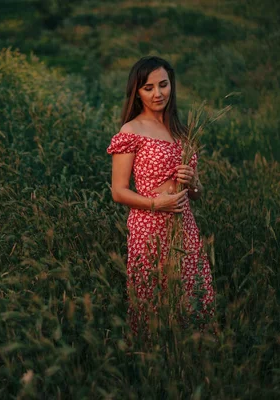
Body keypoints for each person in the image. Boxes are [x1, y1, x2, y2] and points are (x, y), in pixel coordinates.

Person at [106, 56, 215, 339]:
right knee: (153, 303)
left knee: (192, 300)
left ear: (171, 85)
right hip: (149, 227)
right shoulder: (131, 131)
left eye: (163, 85)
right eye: (148, 87)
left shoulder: (182, 133)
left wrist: (194, 182)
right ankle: (154, 363)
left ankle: (189, 360)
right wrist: (158, 204)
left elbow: (196, 195)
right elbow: (118, 191)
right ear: (137, 92)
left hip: (185, 229)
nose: (158, 93)